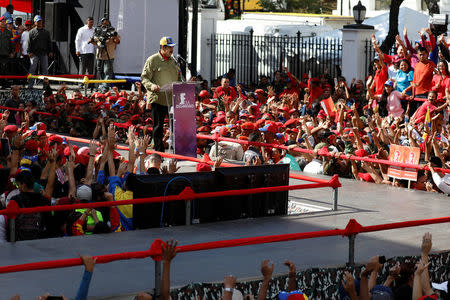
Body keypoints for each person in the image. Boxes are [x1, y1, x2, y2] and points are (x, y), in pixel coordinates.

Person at [141, 36, 181, 152]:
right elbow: (144, 78)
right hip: (158, 99)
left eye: (173, 47)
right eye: (170, 47)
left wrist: (184, 84)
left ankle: (175, 151)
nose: (172, 49)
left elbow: (178, 77)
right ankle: (159, 152)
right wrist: (152, 86)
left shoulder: (173, 61)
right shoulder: (153, 60)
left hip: (172, 99)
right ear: (163, 47)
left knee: (174, 126)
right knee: (158, 127)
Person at [93, 17, 120, 91]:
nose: (105, 24)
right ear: (101, 23)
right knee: (100, 70)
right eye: (104, 23)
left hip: (109, 55)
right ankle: (102, 84)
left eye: (107, 23)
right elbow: (94, 41)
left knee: (107, 71)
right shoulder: (98, 30)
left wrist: (115, 37)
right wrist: (95, 40)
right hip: (99, 55)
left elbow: (118, 41)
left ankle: (105, 87)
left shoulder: (112, 30)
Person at [27, 15, 52, 88]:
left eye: (40, 21)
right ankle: (30, 85)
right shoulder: (31, 32)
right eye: (38, 21)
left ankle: (45, 86)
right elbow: (29, 43)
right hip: (34, 54)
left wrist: (50, 51)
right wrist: (29, 52)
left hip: (44, 53)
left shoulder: (46, 32)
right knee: (32, 69)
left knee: (45, 70)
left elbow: (49, 42)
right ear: (35, 23)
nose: (39, 23)